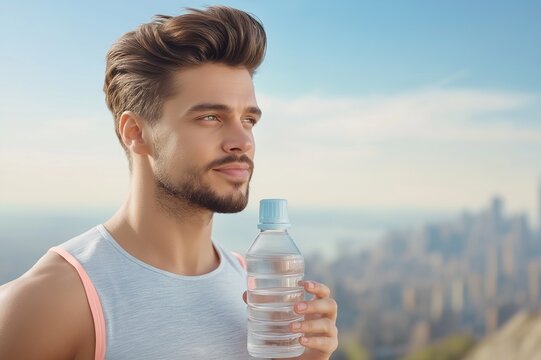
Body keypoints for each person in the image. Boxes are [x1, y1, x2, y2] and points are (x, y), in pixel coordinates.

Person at [0, 6, 338, 360]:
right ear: (136, 132)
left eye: (249, 119)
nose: (243, 140)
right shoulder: (53, 301)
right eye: (210, 117)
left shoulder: (252, 287)